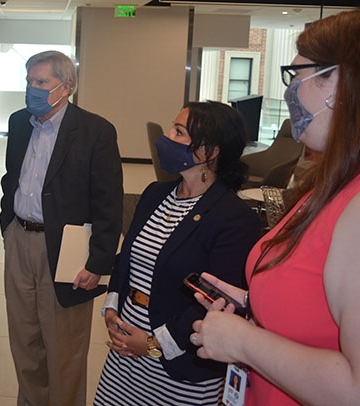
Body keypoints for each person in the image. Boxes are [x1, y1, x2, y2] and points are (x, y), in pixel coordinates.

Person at [190, 9, 360, 406]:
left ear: (341, 80)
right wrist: (256, 303)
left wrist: (244, 342)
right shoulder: (327, 185)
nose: (290, 92)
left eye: (297, 76)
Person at [94, 101, 260, 405]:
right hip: (125, 355)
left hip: (179, 369)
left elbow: (216, 301)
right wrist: (112, 306)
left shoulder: (233, 219)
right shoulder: (155, 194)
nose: (167, 136)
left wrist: (153, 345)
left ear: (210, 152)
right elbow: (127, 258)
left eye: (179, 132)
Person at [0, 50, 123, 406]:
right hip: (20, 239)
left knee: (63, 346)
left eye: (41, 82)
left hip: (68, 250)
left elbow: (108, 203)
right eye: (29, 82)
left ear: (65, 87)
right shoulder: (20, 122)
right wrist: (7, 225)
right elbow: (12, 179)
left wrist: (99, 263)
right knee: (24, 339)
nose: (32, 89)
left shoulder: (95, 131)